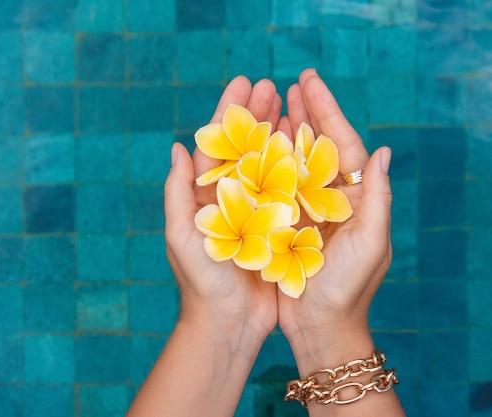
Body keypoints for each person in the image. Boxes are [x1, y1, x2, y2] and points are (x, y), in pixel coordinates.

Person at [126, 68, 407, 417]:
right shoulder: (246, 195)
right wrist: (330, 326)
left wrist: (216, 317)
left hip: (286, 240)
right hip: (262, 235)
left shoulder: (285, 206)